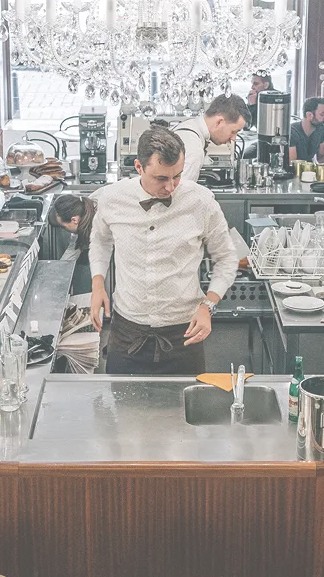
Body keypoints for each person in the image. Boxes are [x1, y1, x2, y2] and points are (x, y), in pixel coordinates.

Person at [89, 125, 237, 376]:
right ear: (139, 167)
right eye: (161, 178)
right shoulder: (112, 198)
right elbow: (101, 241)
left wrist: (208, 305)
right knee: (123, 414)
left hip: (184, 335)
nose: (171, 187)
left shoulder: (201, 201)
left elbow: (226, 257)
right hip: (127, 334)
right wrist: (97, 284)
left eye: (177, 176)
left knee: (184, 414)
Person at [174, 94, 251, 183]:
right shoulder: (194, 149)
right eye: (233, 131)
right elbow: (179, 193)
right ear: (219, 122)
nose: (233, 138)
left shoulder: (189, 126)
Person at [54, 193, 97, 294]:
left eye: (65, 226)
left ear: (74, 220)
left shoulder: (101, 223)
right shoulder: (82, 208)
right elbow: (74, 247)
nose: (66, 230)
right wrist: (55, 273)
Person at [289, 97, 324, 163]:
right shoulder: (292, 132)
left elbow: (322, 157)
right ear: (309, 115)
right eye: (322, 114)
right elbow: (293, 164)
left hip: (309, 171)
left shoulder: (320, 129)